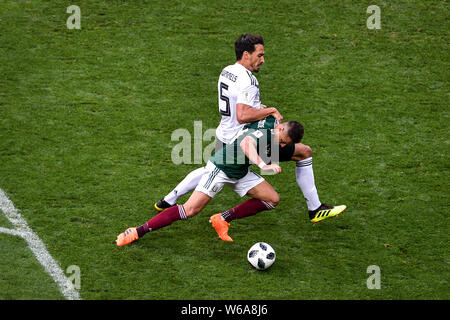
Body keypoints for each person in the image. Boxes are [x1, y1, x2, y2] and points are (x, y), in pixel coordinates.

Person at [154, 33, 345, 224]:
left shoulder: (227, 71)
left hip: (224, 134)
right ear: (246, 54)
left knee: (210, 170)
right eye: (259, 55)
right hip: (241, 140)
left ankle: (170, 198)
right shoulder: (249, 80)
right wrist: (271, 110)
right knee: (304, 152)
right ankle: (315, 208)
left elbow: (243, 105)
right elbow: (243, 115)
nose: (262, 60)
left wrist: (262, 110)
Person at [116, 116, 307, 246]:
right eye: (282, 140)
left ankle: (222, 218)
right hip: (221, 168)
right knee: (191, 210)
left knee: (272, 199)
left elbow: (256, 112)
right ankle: (137, 231)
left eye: (284, 145)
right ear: (280, 128)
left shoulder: (271, 122)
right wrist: (264, 166)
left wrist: (270, 110)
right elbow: (246, 144)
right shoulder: (265, 134)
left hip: (239, 171)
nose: (281, 145)